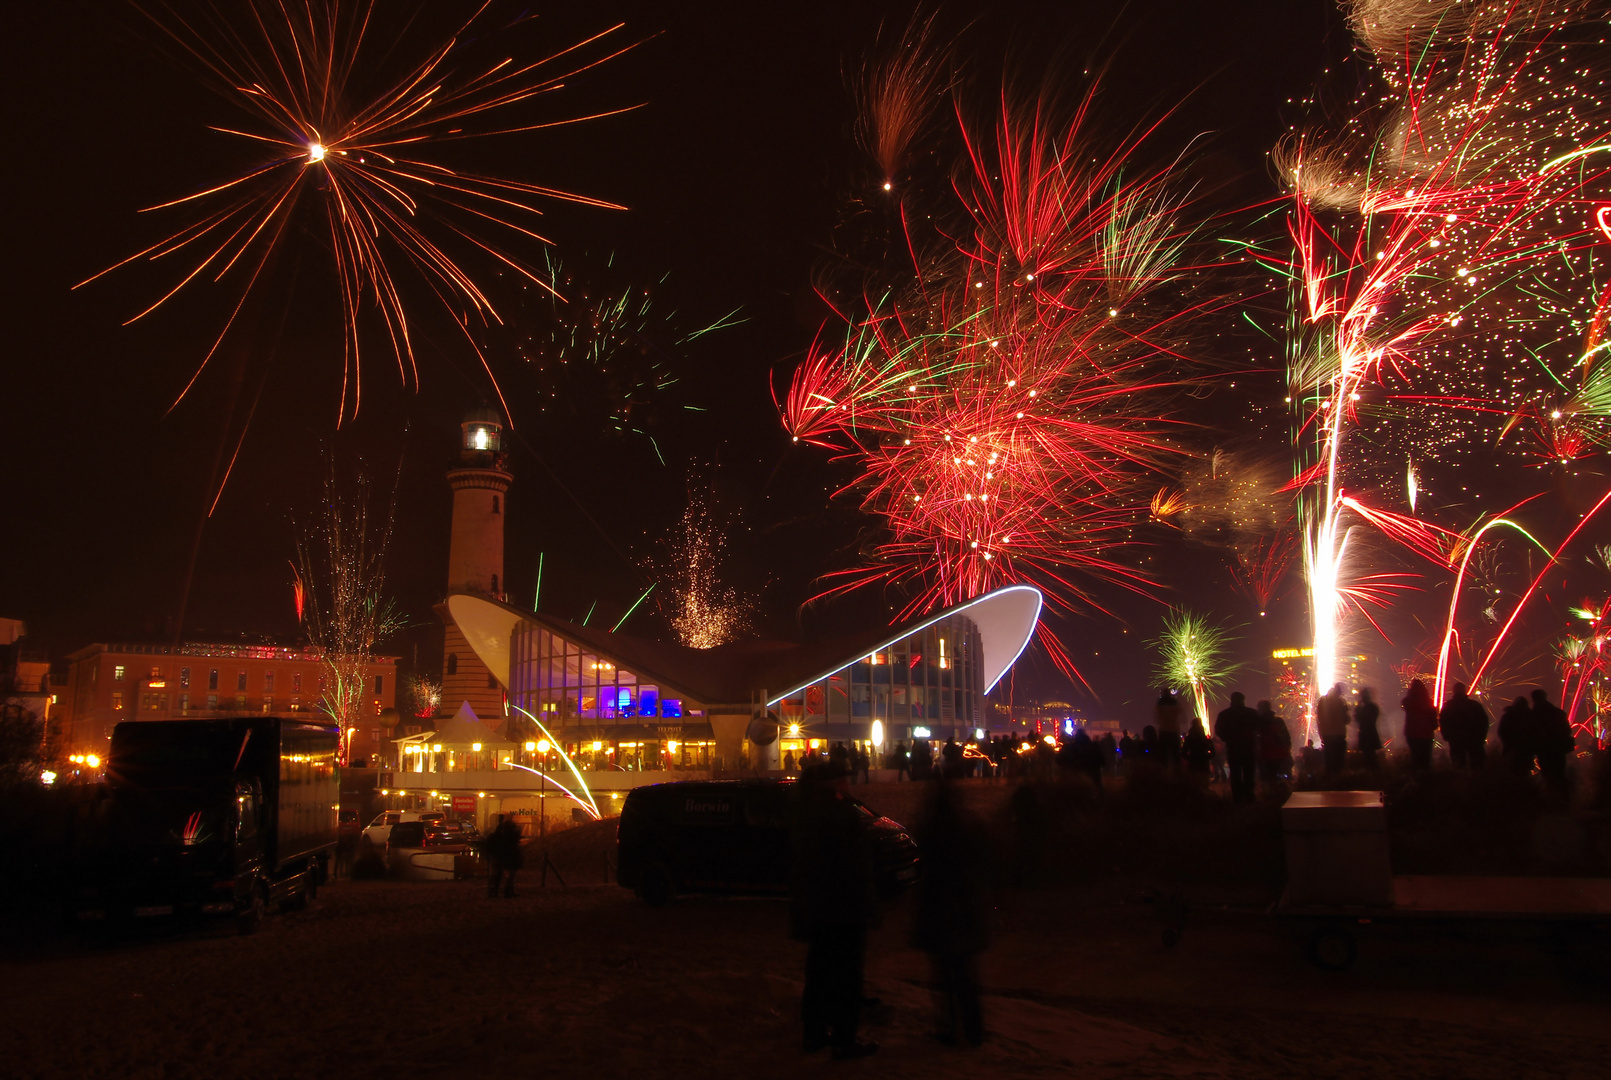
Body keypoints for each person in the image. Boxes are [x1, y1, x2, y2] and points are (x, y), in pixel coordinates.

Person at [791, 764, 879, 1060]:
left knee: (819, 973)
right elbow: (857, 867)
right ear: (835, 784)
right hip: (844, 910)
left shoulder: (806, 815)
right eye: (844, 779)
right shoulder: (840, 816)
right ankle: (844, 1038)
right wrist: (868, 905)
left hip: (819, 910)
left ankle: (814, 1035)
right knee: (846, 976)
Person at [913, 780, 988, 1047]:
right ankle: (973, 1030)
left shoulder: (932, 826)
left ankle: (949, 1028)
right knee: (965, 974)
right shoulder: (968, 824)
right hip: (964, 905)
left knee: (945, 975)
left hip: (940, 906)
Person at [1215, 691, 1261, 804]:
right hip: (1248, 747)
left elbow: (1219, 730)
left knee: (1235, 773)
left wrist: (1228, 739)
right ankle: (1249, 796)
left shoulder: (1224, 714)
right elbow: (1260, 727)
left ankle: (1237, 798)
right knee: (1249, 773)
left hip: (1233, 748)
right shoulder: (1251, 713)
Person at [1530, 689, 1573, 798]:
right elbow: (1567, 731)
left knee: (1548, 775)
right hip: (1559, 749)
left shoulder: (1533, 715)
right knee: (1559, 774)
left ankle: (1553, 800)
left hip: (1544, 750)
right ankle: (1565, 800)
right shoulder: (1558, 713)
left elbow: (1530, 733)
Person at [1439, 682, 1487, 770]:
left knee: (1459, 765)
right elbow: (1483, 722)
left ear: (1454, 691)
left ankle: (1461, 781)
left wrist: (1446, 736)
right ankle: (1478, 781)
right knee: (1477, 765)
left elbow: (1443, 722)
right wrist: (1481, 737)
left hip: (1456, 739)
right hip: (1474, 739)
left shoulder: (1448, 706)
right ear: (1464, 691)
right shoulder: (1474, 705)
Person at [1402, 679, 1438, 771]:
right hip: (1426, 734)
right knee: (1426, 759)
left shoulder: (1408, 701)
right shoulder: (1428, 702)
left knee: (1415, 757)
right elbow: (1433, 717)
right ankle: (1425, 779)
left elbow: (1404, 703)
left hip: (1412, 733)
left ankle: (1416, 778)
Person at [484, 814, 523, 898]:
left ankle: (494, 891)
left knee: (497, 874)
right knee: (502, 874)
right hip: (504, 855)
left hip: (499, 855)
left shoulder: (498, 830)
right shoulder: (506, 831)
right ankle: (504, 891)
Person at [1316, 683, 1351, 775]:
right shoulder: (1340, 702)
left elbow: (1319, 719)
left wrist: (1321, 734)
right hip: (1339, 734)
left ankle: (1330, 781)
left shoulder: (1323, 701)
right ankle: (1338, 781)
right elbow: (1346, 720)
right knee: (1339, 761)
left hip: (1327, 735)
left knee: (1329, 761)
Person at [1256, 701, 1291, 784]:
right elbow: (1286, 738)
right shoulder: (1278, 721)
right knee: (1277, 778)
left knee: (1266, 779)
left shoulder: (1258, 722)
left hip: (1264, 754)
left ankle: (1269, 793)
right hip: (1278, 754)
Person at [1497, 696, 1534, 775]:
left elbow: (1501, 731)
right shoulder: (1530, 717)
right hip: (1526, 750)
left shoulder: (1508, 716)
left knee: (1510, 772)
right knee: (1524, 773)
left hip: (1510, 749)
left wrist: (1508, 742)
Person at [1355, 688, 1382, 771]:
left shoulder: (1367, 708)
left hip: (1367, 736)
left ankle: (1373, 775)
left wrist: (1358, 708)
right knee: (1371, 757)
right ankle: (1375, 774)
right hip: (1371, 735)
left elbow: (1359, 719)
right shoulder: (1374, 707)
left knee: (1369, 757)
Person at [1154, 690, 1183, 767]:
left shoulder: (1160, 703)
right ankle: (1177, 774)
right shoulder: (1175, 702)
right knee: (1176, 756)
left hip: (1163, 731)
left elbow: (1156, 718)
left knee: (1163, 757)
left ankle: (1164, 774)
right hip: (1174, 730)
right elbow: (1181, 715)